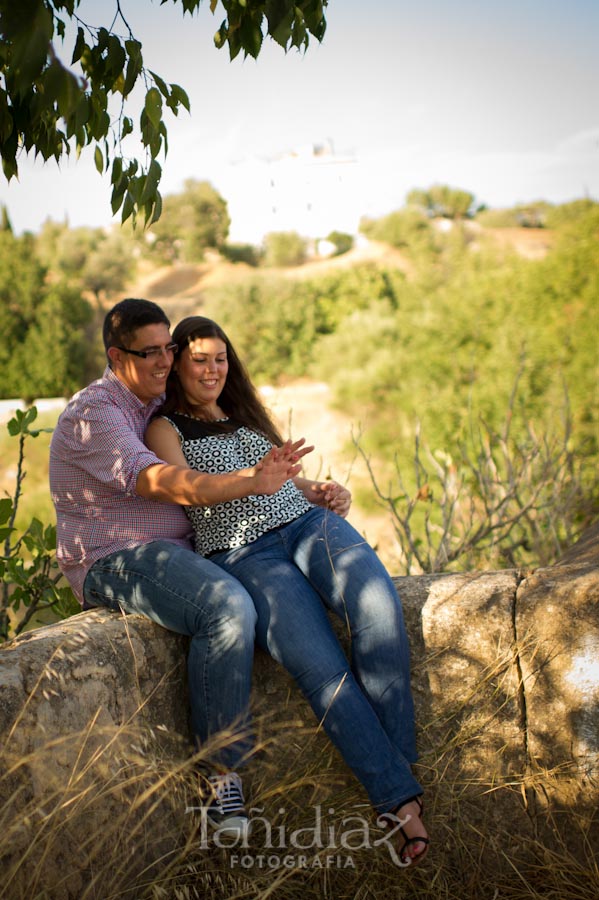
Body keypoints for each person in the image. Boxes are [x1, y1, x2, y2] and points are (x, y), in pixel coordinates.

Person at [145, 315, 430, 866]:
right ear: (178, 363)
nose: (212, 369)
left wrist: (317, 488)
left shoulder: (242, 416)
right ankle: (399, 799)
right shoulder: (166, 428)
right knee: (321, 668)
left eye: (220, 358)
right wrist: (254, 481)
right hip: (245, 552)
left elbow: (278, 480)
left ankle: (395, 765)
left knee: (378, 608)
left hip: (306, 524)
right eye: (199, 359)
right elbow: (186, 490)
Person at [49, 298, 310, 837]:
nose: (165, 361)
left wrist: (307, 489)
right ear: (116, 356)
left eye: (169, 348)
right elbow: (158, 481)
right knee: (227, 607)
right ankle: (222, 779)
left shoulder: (156, 399)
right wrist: (248, 483)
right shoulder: (95, 413)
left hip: (178, 555)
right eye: (150, 353)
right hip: (113, 559)